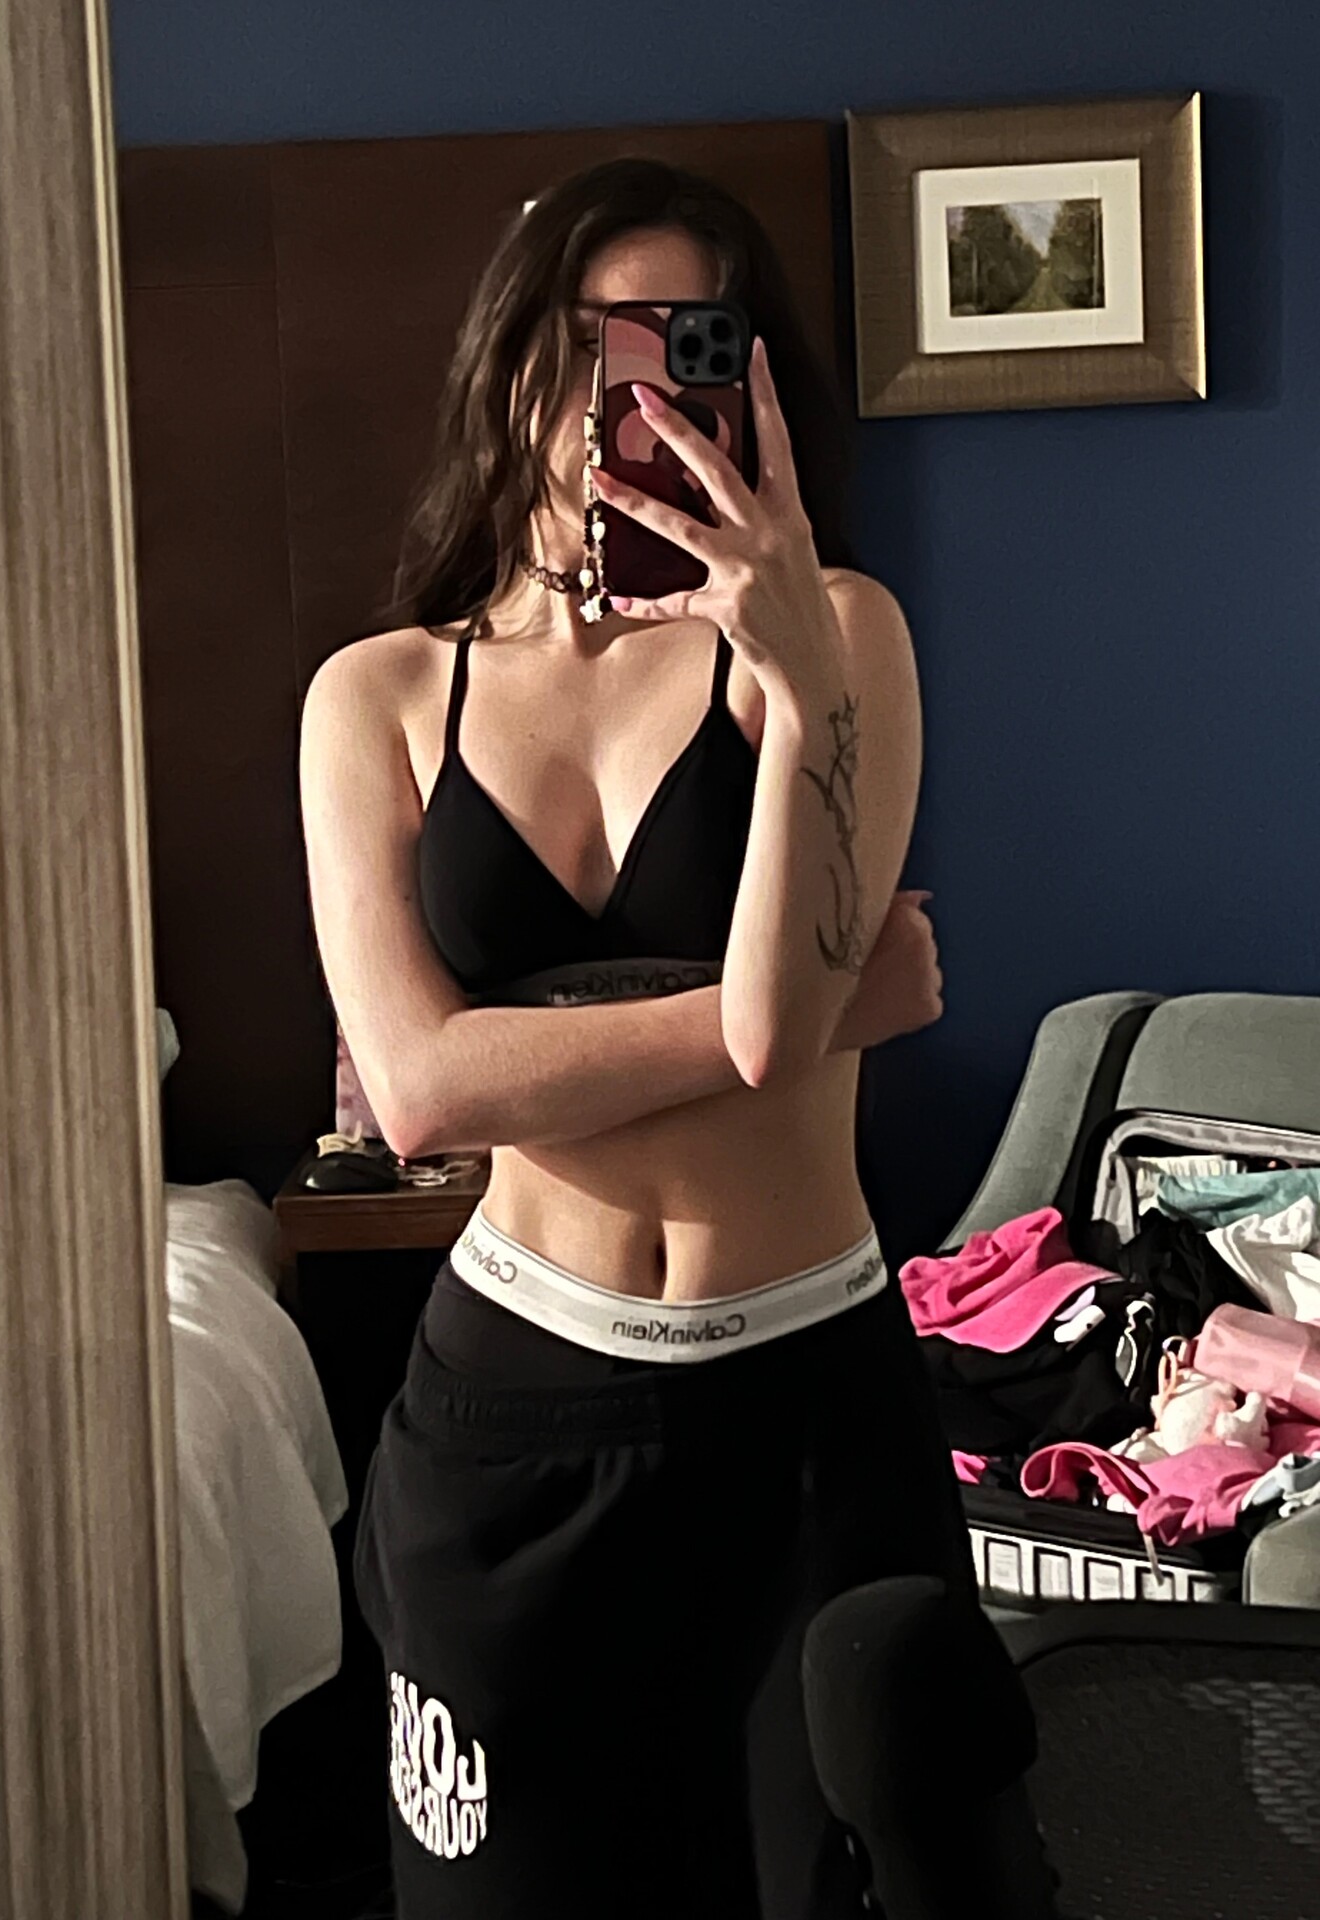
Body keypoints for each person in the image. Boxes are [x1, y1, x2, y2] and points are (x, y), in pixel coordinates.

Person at [299, 157, 1044, 1920]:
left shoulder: (840, 635)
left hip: (807, 1421)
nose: (621, 393)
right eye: (584, 340)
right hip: (510, 1413)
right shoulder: (379, 694)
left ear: (746, 379)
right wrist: (826, 999)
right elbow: (419, 1089)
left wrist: (790, 684)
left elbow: (783, 1035)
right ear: (505, 360)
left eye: (678, 345)